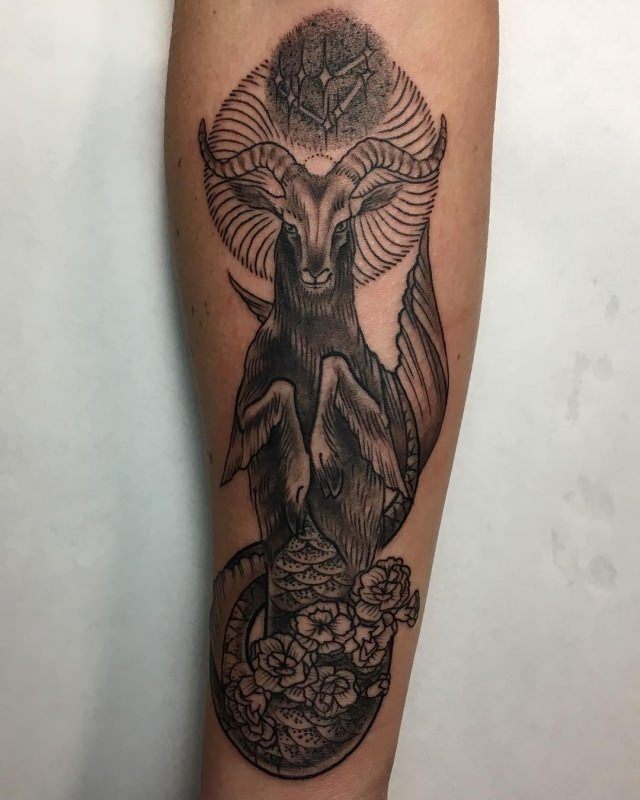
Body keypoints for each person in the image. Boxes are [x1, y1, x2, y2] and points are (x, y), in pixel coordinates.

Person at [165, 1, 498, 797]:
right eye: (297, 235)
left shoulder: (347, 351)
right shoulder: (276, 345)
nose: (315, 258)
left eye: (331, 236)